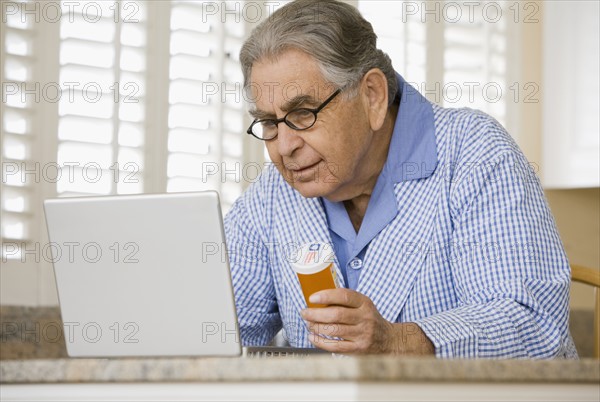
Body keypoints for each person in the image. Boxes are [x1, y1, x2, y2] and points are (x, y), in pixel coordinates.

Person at [224, 0, 577, 358]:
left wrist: (399, 341)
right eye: (269, 122)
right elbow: (222, 330)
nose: (284, 146)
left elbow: (532, 323)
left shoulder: (474, 153)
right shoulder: (272, 194)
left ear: (372, 96)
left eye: (302, 113)